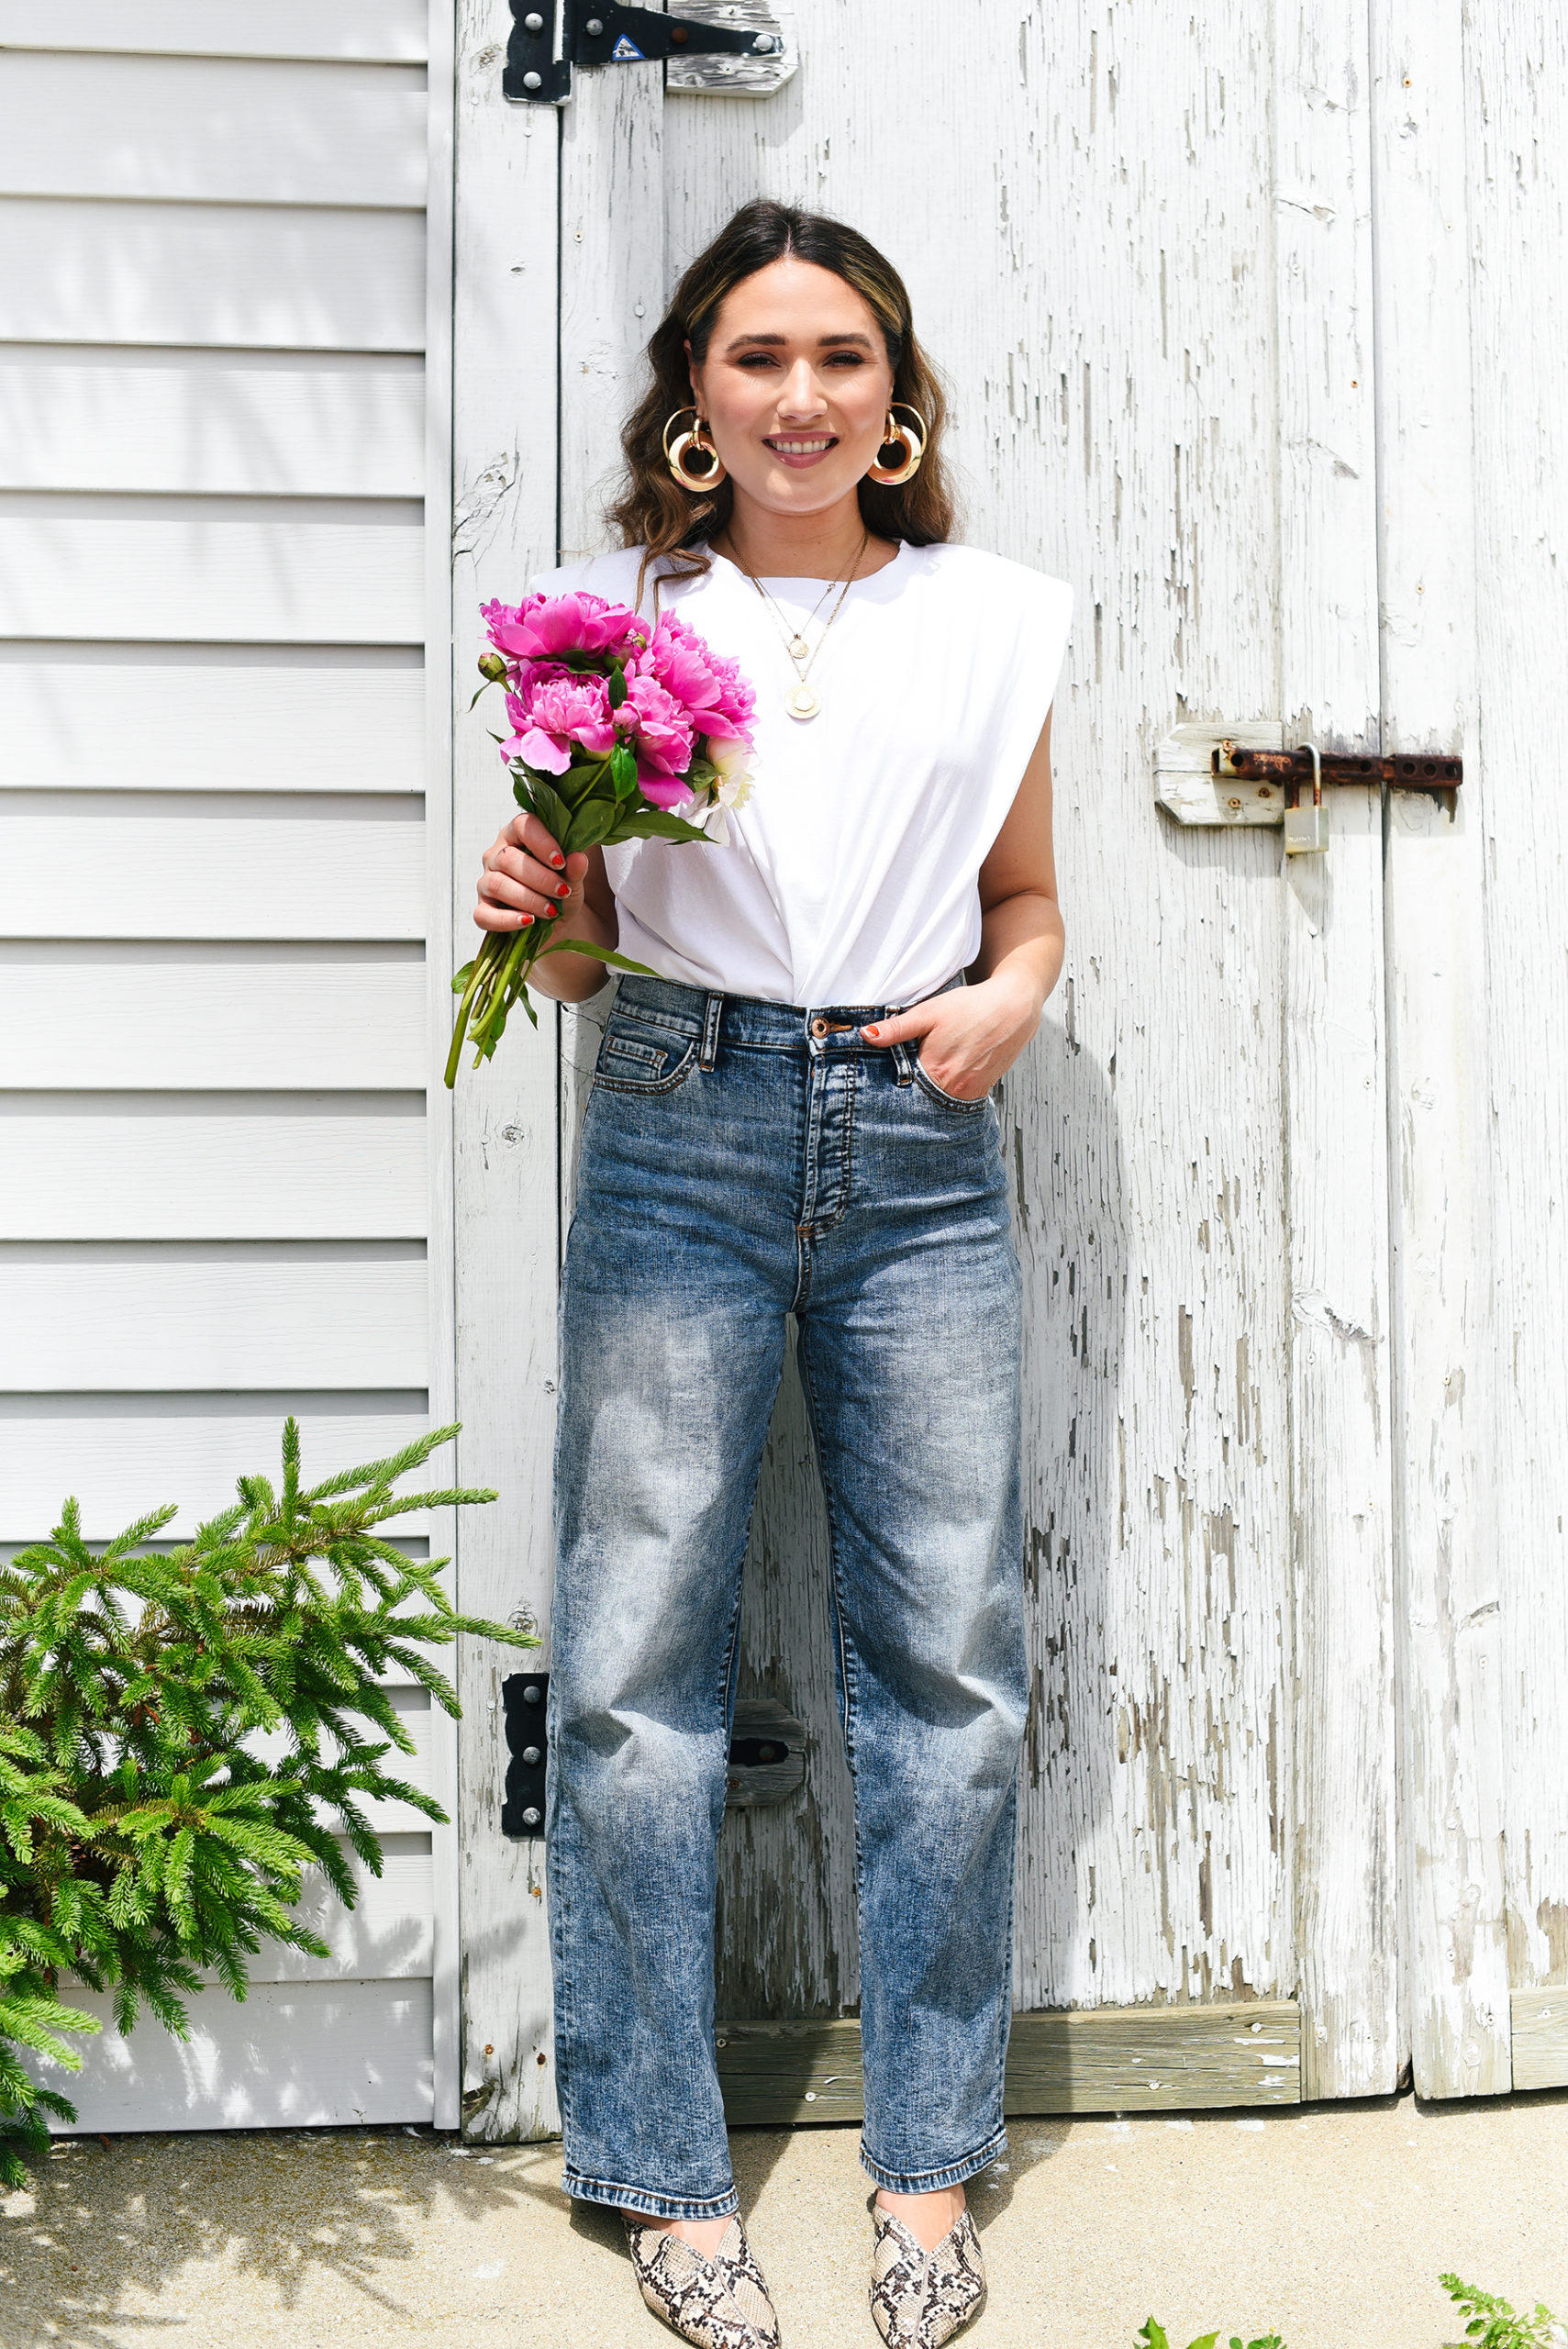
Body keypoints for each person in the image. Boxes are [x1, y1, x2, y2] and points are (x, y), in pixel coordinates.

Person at [472, 199, 1072, 2349]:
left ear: (895, 401)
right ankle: (660, 2171)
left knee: (950, 1659)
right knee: (636, 1659)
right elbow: (570, 955)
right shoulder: (612, 619)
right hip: (680, 1116)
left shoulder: (988, 620)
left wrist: (1011, 997)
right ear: (696, 399)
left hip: (919, 1137)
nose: (802, 393)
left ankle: (924, 2166)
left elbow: (1028, 903)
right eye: (757, 356)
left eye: (842, 357)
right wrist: (533, 893)